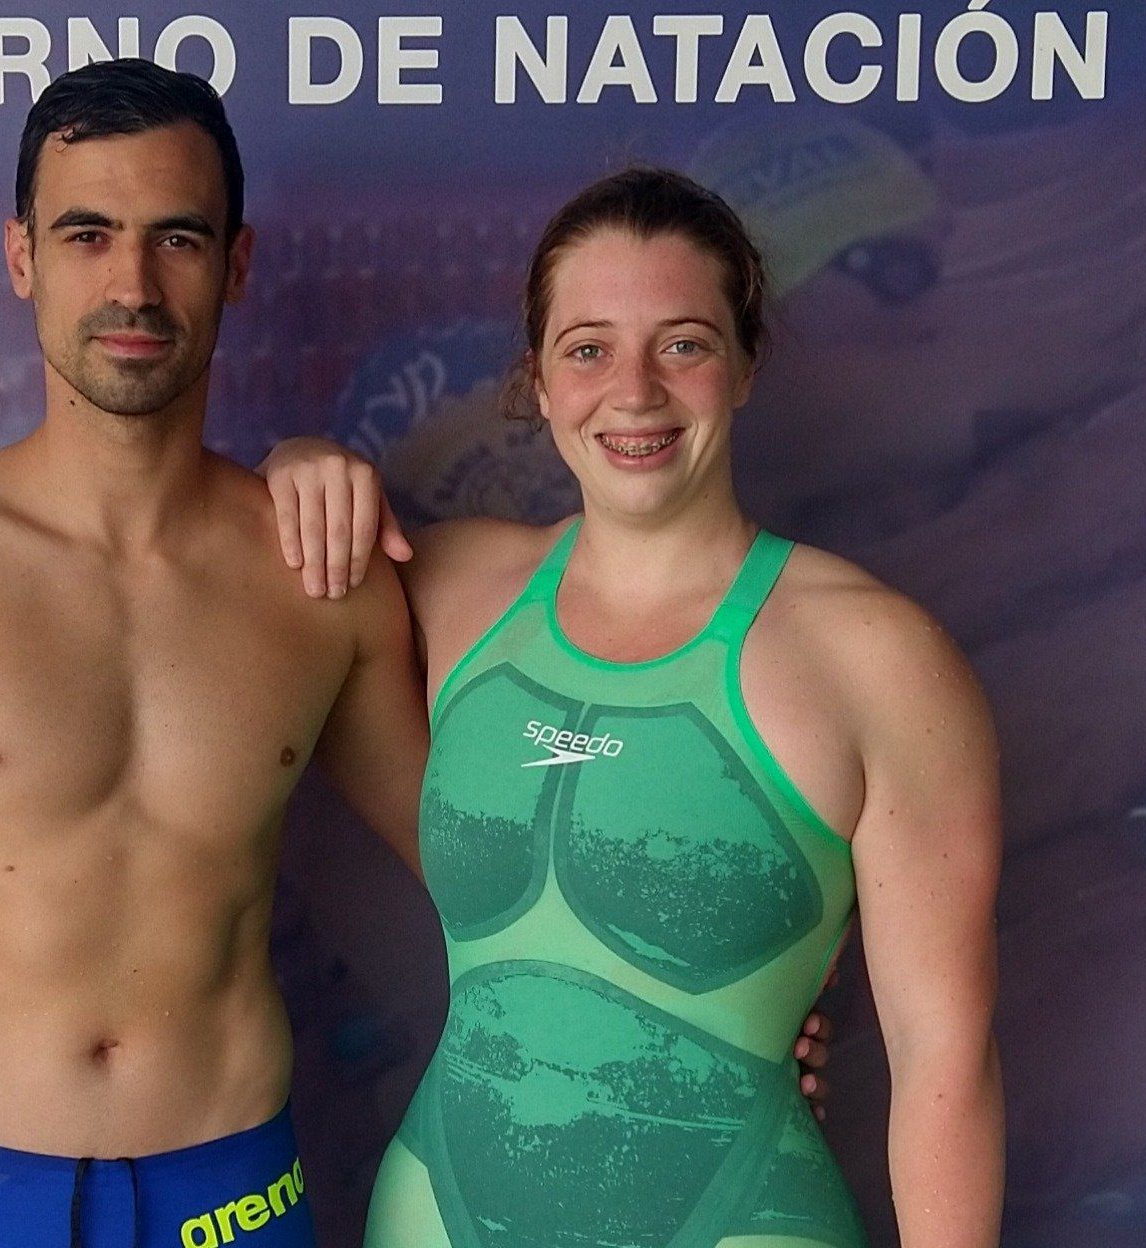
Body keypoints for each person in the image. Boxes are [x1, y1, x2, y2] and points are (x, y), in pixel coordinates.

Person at [0, 62, 834, 1248]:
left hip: (233, 1195)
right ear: (21, 257)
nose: (130, 282)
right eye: (87, 234)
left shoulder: (313, 578)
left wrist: (720, 997)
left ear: (233, 264)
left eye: (176, 237)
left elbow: (479, 863)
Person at [259, 169, 1004, 1247]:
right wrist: (301, 461)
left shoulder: (876, 657)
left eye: (684, 343)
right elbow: (252, 559)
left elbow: (946, 1061)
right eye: (588, 348)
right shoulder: (445, 586)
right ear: (538, 379)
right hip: (436, 1213)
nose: (635, 391)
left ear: (745, 364)